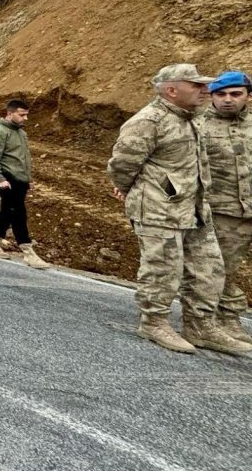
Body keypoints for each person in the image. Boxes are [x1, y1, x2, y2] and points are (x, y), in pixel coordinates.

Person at [108, 63, 252, 355]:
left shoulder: (192, 118)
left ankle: (200, 326)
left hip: (197, 209)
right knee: (163, 268)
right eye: (196, 85)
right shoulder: (149, 121)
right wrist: (140, 191)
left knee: (209, 270)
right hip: (159, 209)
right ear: (172, 90)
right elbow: (122, 165)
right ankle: (154, 322)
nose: (205, 90)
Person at [201, 70, 252, 344]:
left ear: (247, 96)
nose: (228, 100)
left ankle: (227, 318)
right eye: (220, 95)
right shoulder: (198, 126)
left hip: (248, 213)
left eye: (235, 94)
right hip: (218, 212)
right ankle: (218, 321)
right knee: (217, 269)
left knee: (232, 268)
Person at [0, 99, 51, 268]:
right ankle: (28, 252)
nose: (25, 118)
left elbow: (22, 159)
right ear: (9, 113)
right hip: (6, 179)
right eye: (21, 115)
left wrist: (28, 179)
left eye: (26, 115)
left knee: (8, 210)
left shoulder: (21, 133)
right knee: (18, 212)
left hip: (19, 180)